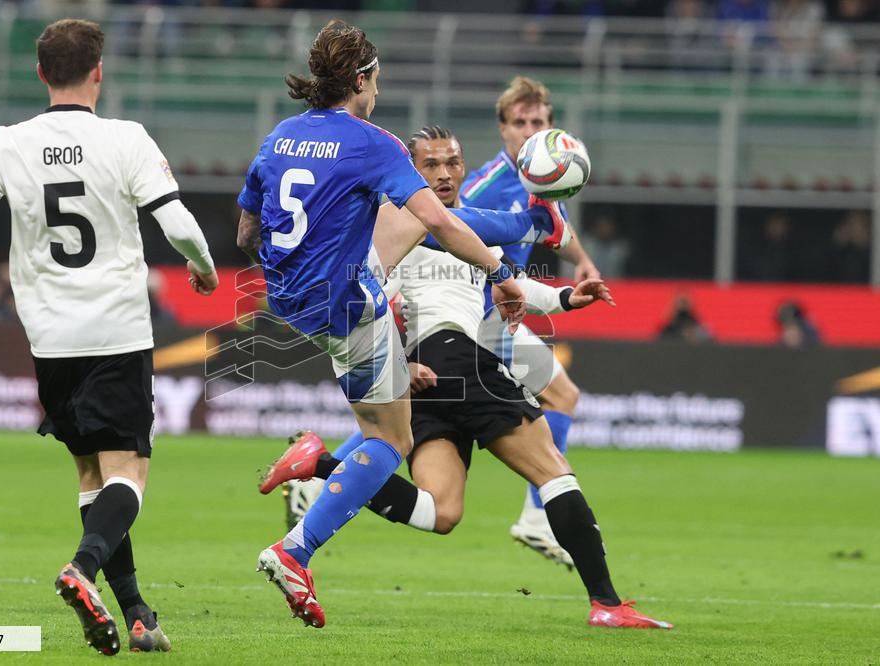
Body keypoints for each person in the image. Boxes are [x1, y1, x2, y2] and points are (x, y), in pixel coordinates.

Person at [259, 124, 673, 630]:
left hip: (432, 378)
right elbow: (384, 294)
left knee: (441, 512)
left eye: (452, 162)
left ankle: (320, 464)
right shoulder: (398, 214)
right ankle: (606, 603)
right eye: (429, 165)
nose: (444, 173)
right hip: (452, 356)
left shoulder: (453, 229)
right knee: (553, 470)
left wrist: (566, 297)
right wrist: (538, 223)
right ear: (409, 171)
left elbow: (504, 274)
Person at [235, 20, 571, 629]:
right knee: (393, 441)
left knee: (385, 423)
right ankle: (295, 547)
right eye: (376, 80)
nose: (378, 90)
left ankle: (315, 468)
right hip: (349, 309)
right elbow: (440, 223)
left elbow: (246, 232)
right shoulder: (375, 143)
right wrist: (499, 271)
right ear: (360, 80)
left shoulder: (279, 136)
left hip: (294, 305)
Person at [0, 19, 218, 655]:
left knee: (92, 473)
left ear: (40, 74)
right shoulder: (126, 139)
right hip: (115, 328)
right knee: (130, 473)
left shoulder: (9, 143)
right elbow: (179, 224)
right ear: (99, 71)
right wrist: (202, 271)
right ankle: (81, 569)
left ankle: (138, 613)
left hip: (50, 339)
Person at [459, 76, 600, 566]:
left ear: (550, 127)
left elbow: (555, 221)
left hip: (499, 319)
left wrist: (581, 259)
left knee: (405, 424)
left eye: (537, 122)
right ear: (503, 129)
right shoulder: (486, 185)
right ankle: (538, 516)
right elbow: (443, 227)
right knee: (406, 427)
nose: (527, 130)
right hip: (470, 320)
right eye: (519, 123)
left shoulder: (540, 177)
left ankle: (317, 478)